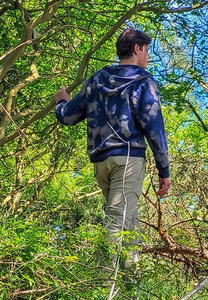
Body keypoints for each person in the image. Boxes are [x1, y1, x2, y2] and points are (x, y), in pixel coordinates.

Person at [54, 29, 171, 270]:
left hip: (101, 164)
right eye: (147, 50)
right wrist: (164, 170)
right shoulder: (143, 82)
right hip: (128, 160)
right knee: (118, 222)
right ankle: (102, 283)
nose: (148, 56)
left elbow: (67, 117)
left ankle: (131, 284)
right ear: (137, 49)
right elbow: (154, 128)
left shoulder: (97, 79)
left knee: (129, 223)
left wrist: (61, 101)